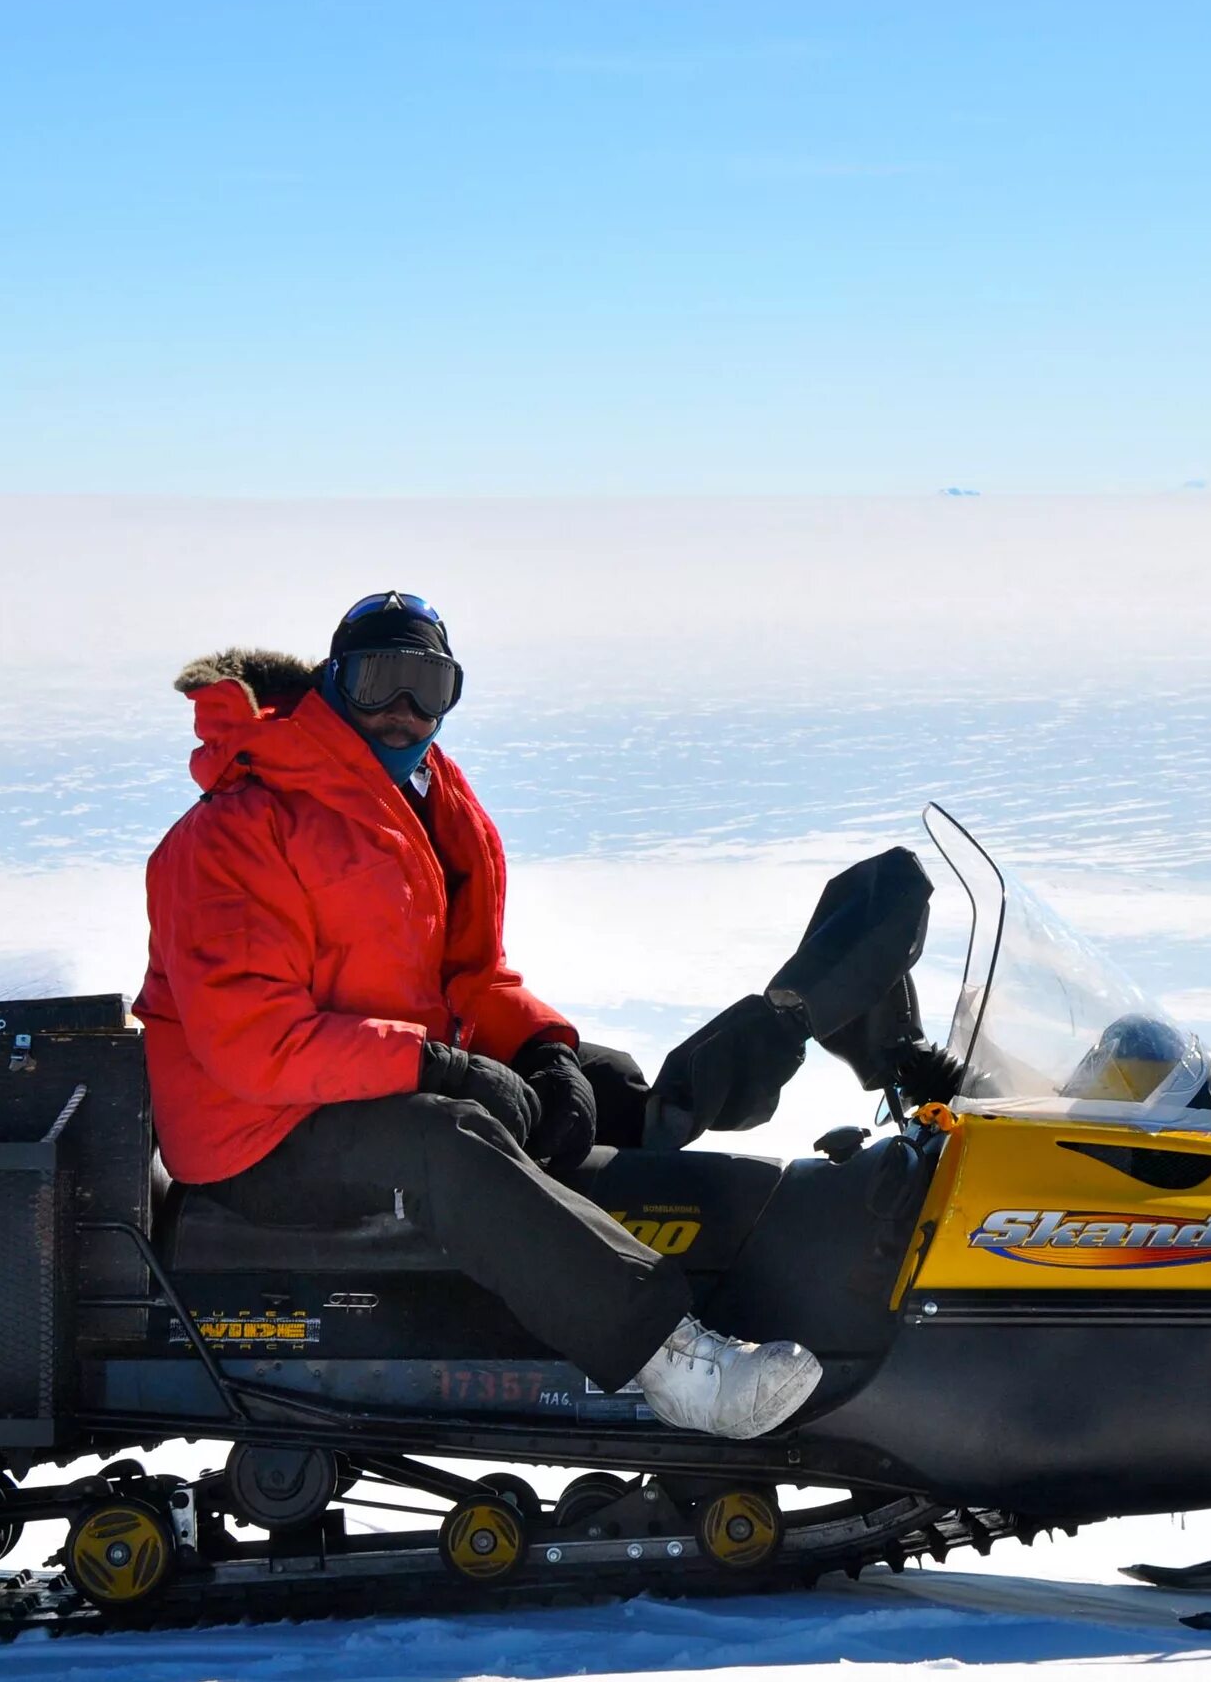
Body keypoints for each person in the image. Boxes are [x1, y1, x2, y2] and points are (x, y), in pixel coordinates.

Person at [134, 591, 822, 1440]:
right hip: (250, 1131)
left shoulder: (430, 803)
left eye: (428, 686)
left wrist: (538, 1047)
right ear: (332, 685)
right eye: (378, 681)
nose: (402, 711)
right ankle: (668, 1360)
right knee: (442, 1138)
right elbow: (253, 1042)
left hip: (349, 1082)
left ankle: (719, 1259)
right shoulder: (236, 828)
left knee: (597, 1082)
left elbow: (470, 974)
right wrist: (436, 1066)